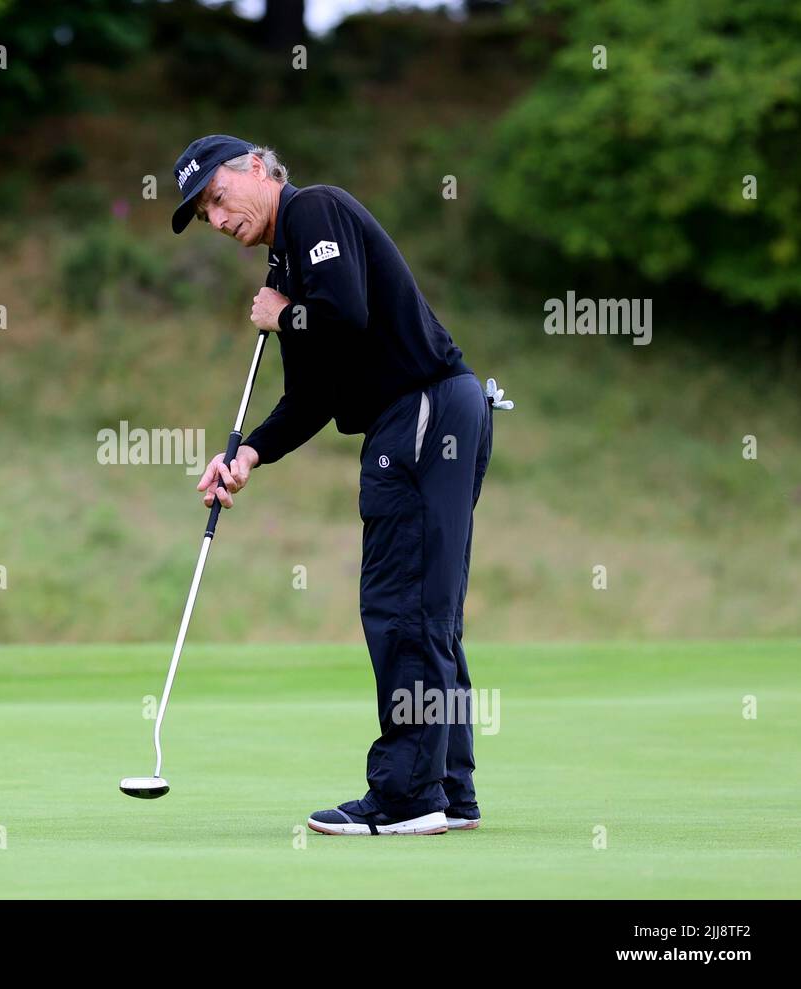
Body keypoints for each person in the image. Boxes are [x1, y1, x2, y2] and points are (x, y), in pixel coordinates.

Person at [170, 134, 511, 836]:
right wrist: (249, 455)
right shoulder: (286, 262)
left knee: (401, 604)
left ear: (258, 169)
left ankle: (408, 795)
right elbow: (314, 394)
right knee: (427, 605)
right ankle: (448, 787)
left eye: (216, 195)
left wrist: (281, 312)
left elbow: (347, 311)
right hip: (434, 412)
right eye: (203, 211)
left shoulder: (313, 211)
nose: (215, 217)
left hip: (420, 411)